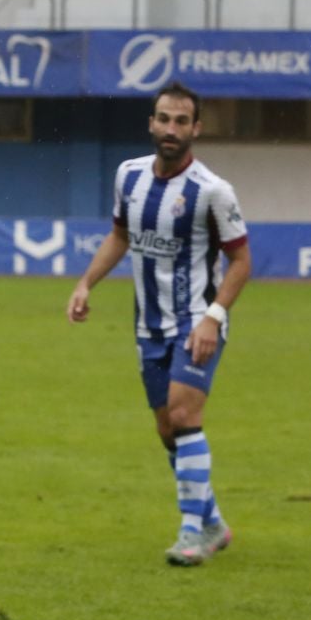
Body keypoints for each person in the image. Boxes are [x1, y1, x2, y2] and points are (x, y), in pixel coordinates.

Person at [67, 80, 251, 567]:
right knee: (169, 430)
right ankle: (212, 520)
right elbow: (119, 235)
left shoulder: (212, 191)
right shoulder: (128, 176)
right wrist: (87, 283)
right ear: (151, 123)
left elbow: (241, 262)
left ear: (196, 128)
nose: (171, 129)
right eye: (164, 119)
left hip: (196, 322)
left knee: (186, 416)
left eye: (181, 121)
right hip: (147, 324)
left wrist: (214, 316)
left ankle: (192, 534)